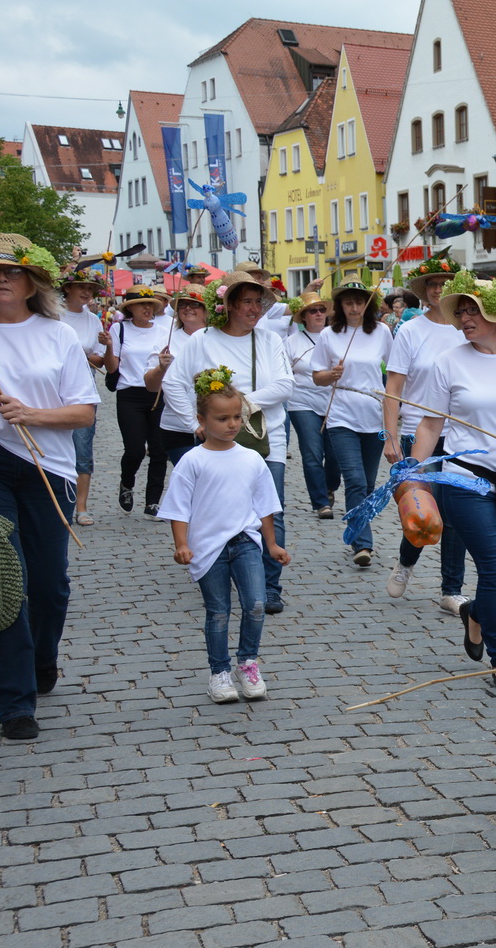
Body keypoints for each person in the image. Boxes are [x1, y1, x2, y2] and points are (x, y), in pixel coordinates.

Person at [0, 234, 99, 740]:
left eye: (11, 271)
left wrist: (31, 414)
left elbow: (83, 412)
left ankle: (43, 658)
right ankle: (14, 703)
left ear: (33, 282)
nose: (1, 278)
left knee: (50, 586)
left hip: (47, 466)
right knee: (2, 574)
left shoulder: (58, 334)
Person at [410, 277, 496, 691]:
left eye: (473, 310)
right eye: (460, 311)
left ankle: (476, 613)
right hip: (465, 478)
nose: (464, 318)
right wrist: (413, 474)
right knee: (494, 568)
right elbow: (431, 424)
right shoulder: (449, 362)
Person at [163, 271, 293, 611]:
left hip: (266, 437)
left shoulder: (269, 340)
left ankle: (269, 586)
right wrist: (194, 422)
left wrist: (239, 406)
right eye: (247, 302)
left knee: (270, 509)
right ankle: (218, 568)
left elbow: (285, 385)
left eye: (258, 302)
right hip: (218, 444)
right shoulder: (203, 340)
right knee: (216, 507)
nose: (254, 309)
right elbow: (173, 382)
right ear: (229, 305)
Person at [159, 375, 289, 703]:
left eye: (236, 417)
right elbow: (178, 508)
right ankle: (219, 672)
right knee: (218, 611)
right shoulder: (192, 461)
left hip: (245, 542)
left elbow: (266, 506)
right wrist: (182, 544)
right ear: (202, 420)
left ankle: (247, 663)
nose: (232, 424)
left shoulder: (251, 458)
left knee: (256, 604)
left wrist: (272, 544)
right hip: (208, 548)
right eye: (222, 418)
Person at [384, 256, 470, 611]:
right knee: (423, 510)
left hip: (461, 435)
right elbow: (393, 388)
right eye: (432, 284)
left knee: (456, 513)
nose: (438, 290)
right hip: (418, 432)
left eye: (444, 284)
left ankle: (451, 589)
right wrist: (390, 436)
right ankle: (406, 561)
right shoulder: (410, 331)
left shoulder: (467, 328)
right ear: (425, 291)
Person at [310, 275, 393, 570]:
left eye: (359, 302)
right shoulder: (329, 335)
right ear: (340, 305)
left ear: (368, 304)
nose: (354, 308)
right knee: (355, 480)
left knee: (367, 484)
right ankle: (362, 542)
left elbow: (395, 372)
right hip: (341, 415)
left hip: (372, 414)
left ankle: (358, 527)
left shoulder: (382, 332)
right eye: (348, 303)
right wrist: (330, 375)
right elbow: (317, 377)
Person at [104, 285, 170, 519]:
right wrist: (108, 347)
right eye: (141, 304)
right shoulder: (119, 329)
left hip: (157, 393)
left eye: (150, 304)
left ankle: (153, 501)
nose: (147, 308)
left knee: (159, 450)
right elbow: (112, 367)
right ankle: (127, 483)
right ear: (130, 308)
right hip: (129, 394)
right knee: (135, 450)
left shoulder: (163, 331)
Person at [56, 270, 110, 525]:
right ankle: (56, 502)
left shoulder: (93, 320)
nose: (87, 293)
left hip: (83, 387)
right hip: (55, 388)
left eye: (90, 289)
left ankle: (81, 507)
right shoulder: (53, 314)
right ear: (68, 288)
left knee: (82, 445)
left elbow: (99, 360)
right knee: (54, 444)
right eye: (81, 287)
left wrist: (95, 350)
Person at [283, 292, 339, 519]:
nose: (318, 314)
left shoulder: (336, 337)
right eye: (312, 311)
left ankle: (329, 486)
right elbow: (284, 372)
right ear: (303, 316)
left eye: (321, 310)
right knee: (312, 452)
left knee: (335, 456)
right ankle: (321, 502)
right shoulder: (291, 342)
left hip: (334, 402)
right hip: (302, 401)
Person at [153, 285, 211, 470]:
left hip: (213, 423)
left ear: (206, 310)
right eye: (183, 304)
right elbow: (150, 386)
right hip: (176, 425)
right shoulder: (167, 340)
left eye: (194, 304)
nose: (187, 308)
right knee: (189, 475)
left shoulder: (218, 338)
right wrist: (161, 368)